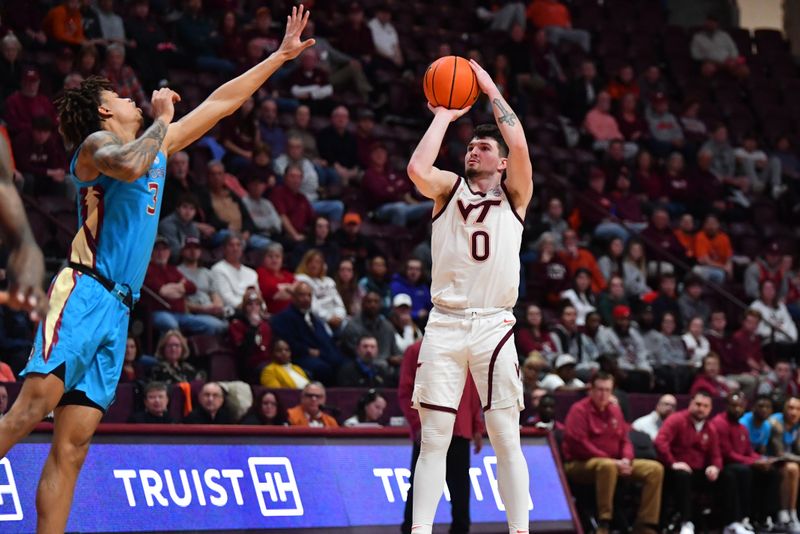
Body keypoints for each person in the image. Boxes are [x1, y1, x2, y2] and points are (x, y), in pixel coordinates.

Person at [0, 7, 312, 525]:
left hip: (119, 308)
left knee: (72, 448)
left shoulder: (156, 144)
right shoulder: (96, 147)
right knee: (27, 412)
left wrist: (278, 57)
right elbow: (130, 164)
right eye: (120, 97)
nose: (131, 97)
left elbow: (222, 103)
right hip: (84, 291)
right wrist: (163, 118)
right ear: (104, 113)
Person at [405, 58, 533, 534]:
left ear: (500, 163)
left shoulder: (516, 195)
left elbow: (517, 140)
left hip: (495, 326)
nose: (473, 151)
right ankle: (420, 532)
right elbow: (418, 168)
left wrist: (489, 87)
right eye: (471, 145)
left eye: (483, 147)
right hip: (444, 323)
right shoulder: (447, 189)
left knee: (505, 437)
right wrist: (444, 113)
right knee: (434, 438)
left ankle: (518, 530)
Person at [399, 340, 484, 534]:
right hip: (430, 430)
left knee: (460, 493)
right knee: (420, 491)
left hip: (459, 430)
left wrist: (477, 426)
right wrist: (417, 423)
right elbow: (406, 390)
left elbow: (474, 389)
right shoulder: (416, 350)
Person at [563, 372, 664, 534]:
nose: (603, 395)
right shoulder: (579, 410)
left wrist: (626, 459)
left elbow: (625, 439)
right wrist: (612, 460)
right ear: (591, 390)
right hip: (579, 465)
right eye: (600, 390)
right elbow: (580, 445)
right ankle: (604, 522)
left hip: (614, 462)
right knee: (607, 465)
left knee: (655, 469)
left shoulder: (615, 410)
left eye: (607, 390)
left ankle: (645, 524)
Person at [655, 390, 751, 534]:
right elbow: (660, 442)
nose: (701, 409)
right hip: (675, 470)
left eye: (705, 406)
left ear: (710, 409)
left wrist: (714, 467)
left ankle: (731, 523)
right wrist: (673, 462)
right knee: (683, 475)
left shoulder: (710, 428)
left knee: (728, 476)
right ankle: (686, 523)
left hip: (699, 471)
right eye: (698, 404)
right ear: (690, 404)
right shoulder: (676, 420)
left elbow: (716, 455)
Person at [711, 393, 781, 530]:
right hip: (723, 465)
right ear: (727, 406)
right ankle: (740, 518)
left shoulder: (741, 428)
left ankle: (763, 517)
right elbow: (727, 454)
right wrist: (753, 462)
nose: (737, 409)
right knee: (744, 471)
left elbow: (748, 451)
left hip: (739, 463)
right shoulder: (719, 423)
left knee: (772, 471)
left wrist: (763, 460)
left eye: (741, 406)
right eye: (734, 406)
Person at [144, 235, 227, 336]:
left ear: (169, 252)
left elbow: (192, 287)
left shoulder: (173, 269)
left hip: (182, 315)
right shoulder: (147, 270)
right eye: (157, 249)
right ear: (151, 252)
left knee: (216, 325)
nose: (161, 253)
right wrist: (180, 287)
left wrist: (174, 288)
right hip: (160, 312)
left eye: (164, 249)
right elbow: (163, 291)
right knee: (170, 324)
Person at [269, 281, 344, 385]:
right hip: (299, 356)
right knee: (322, 369)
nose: (306, 298)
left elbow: (325, 338)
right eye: (302, 295)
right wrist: (308, 351)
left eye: (309, 295)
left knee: (342, 362)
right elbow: (288, 342)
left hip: (320, 354)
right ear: (293, 297)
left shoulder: (313, 317)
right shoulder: (283, 317)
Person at [229, 288, 272, 382]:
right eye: (250, 304)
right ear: (244, 307)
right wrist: (252, 328)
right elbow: (243, 351)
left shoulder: (266, 324)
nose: (254, 307)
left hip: (268, 362)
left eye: (257, 304)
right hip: (250, 366)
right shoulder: (237, 324)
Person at [210, 233, 259, 312]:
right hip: (235, 311)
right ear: (224, 249)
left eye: (238, 245)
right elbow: (226, 298)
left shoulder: (252, 273)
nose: (235, 248)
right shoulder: (218, 269)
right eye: (231, 245)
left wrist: (262, 309)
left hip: (255, 311)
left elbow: (258, 297)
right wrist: (247, 307)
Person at [257, 243, 296, 314]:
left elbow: (298, 290)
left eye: (277, 256)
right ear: (263, 259)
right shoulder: (261, 272)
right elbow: (270, 290)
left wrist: (282, 288)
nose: (274, 260)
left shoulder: (287, 274)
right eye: (270, 256)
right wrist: (289, 288)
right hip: (273, 315)